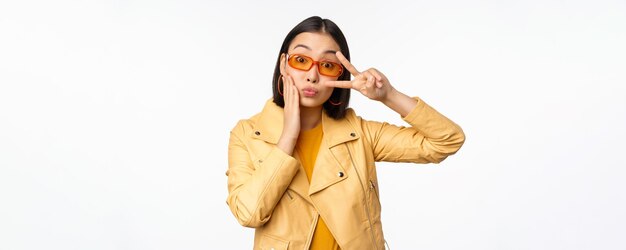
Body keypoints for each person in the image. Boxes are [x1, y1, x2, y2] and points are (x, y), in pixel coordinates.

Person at [226, 16, 465, 250]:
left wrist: (388, 95)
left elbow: (447, 140)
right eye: (301, 60)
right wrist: (288, 135)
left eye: (327, 65)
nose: (312, 75)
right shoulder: (247, 135)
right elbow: (248, 213)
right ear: (283, 64)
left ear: (340, 74)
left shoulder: (359, 134)